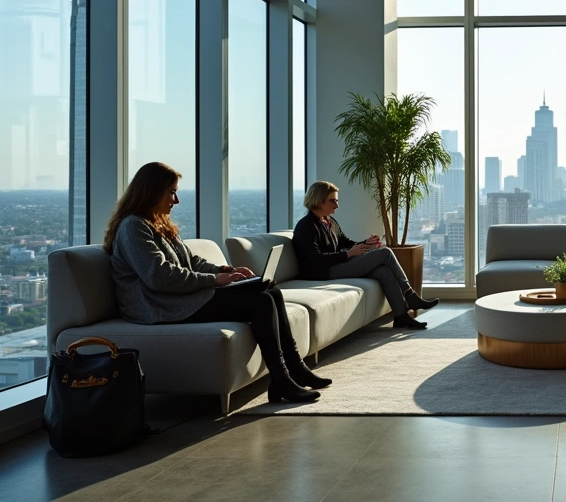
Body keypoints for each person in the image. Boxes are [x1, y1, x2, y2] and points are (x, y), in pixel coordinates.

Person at [104, 162, 329, 405]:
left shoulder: (159, 224)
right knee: (261, 299)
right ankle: (282, 378)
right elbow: (159, 276)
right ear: (152, 191)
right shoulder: (133, 227)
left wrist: (225, 270)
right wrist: (214, 280)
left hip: (176, 298)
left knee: (270, 289)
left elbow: (191, 261)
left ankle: (295, 368)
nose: (176, 200)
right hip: (157, 306)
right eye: (171, 192)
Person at [293, 181, 439, 329]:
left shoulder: (329, 221)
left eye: (336, 200)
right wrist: (348, 254)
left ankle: (401, 316)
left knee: (384, 272)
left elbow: (346, 243)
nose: (337, 205)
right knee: (385, 252)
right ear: (319, 201)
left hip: (336, 264)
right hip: (323, 273)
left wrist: (366, 244)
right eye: (333, 201)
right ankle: (410, 295)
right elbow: (316, 260)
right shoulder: (306, 226)